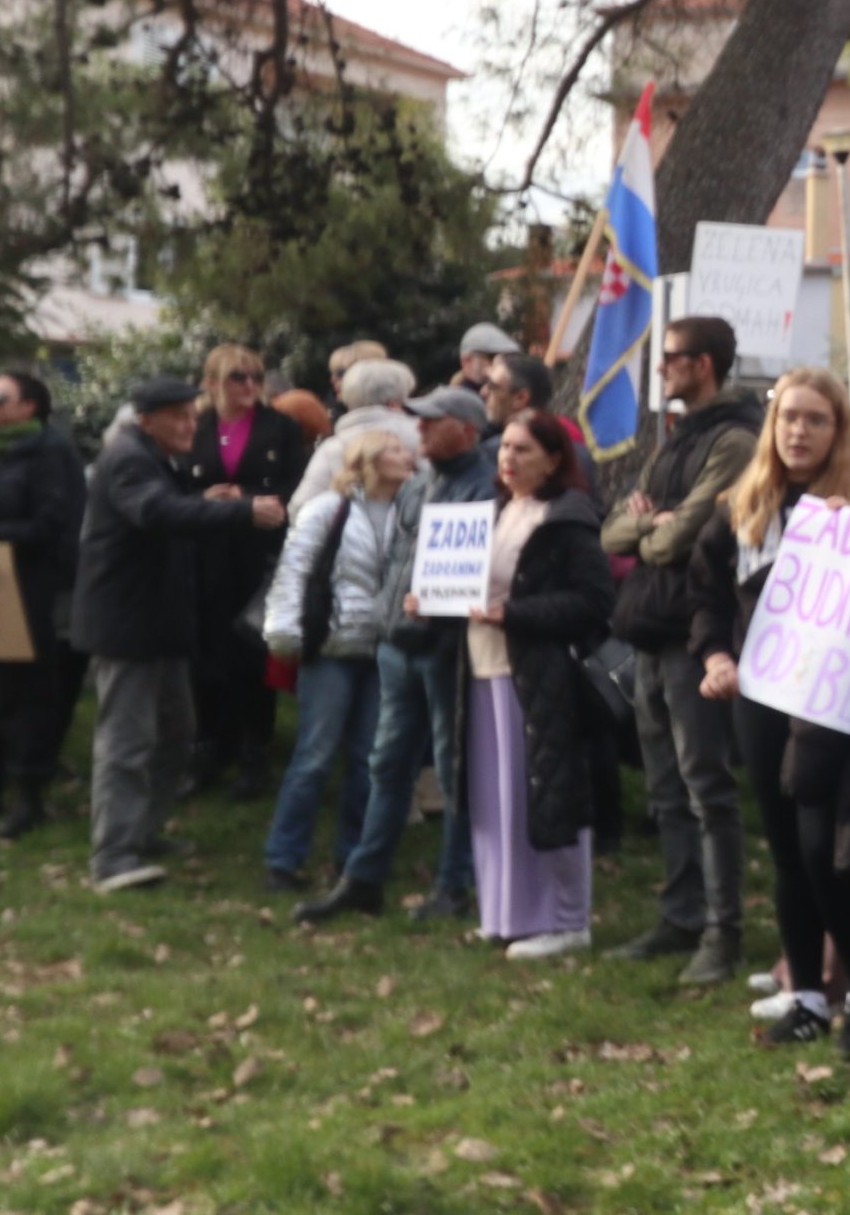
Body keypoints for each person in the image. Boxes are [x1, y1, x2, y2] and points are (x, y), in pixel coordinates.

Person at [694, 369, 850, 1055]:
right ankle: (808, 995)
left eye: (815, 419)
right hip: (763, 698)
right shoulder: (743, 503)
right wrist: (715, 657)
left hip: (837, 707)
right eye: (788, 417)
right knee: (787, 851)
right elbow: (707, 595)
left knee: (826, 853)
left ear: (839, 429)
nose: (798, 431)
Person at [600, 316, 760, 985]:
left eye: (670, 357)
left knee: (705, 787)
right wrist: (648, 524)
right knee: (664, 787)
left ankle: (723, 930)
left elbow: (678, 539)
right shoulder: (676, 437)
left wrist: (651, 526)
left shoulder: (736, 440)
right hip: (652, 628)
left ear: (704, 363)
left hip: (698, 630)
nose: (660, 367)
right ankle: (680, 914)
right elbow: (613, 532)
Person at [296, 388, 496, 923]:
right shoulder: (419, 485)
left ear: (468, 431)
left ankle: (455, 885)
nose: (419, 429)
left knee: (453, 772)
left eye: (434, 421)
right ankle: (364, 879)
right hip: (397, 644)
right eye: (419, 420)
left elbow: (480, 575)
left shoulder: (483, 489)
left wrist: (438, 608)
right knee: (386, 765)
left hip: (447, 651)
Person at [77, 378, 282, 891]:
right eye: (180, 416)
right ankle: (113, 856)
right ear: (147, 420)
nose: (193, 424)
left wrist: (201, 498)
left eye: (194, 414)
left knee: (174, 733)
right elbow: (152, 511)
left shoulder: (155, 457)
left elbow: (164, 507)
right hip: (128, 626)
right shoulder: (129, 458)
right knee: (127, 741)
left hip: (156, 625)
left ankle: (142, 833)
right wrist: (239, 510)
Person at [455, 411, 612, 959]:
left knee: (548, 793)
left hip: (537, 675)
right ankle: (506, 913)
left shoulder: (566, 517)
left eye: (522, 449)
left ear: (553, 459)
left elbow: (594, 601)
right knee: (495, 801)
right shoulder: (494, 511)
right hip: (483, 668)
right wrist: (430, 600)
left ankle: (566, 919)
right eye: (504, 447)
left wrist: (516, 615)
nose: (508, 458)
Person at [260, 430, 411, 892]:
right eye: (395, 449)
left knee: (369, 759)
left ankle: (353, 861)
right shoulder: (329, 509)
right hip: (332, 649)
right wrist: (284, 632)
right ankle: (283, 859)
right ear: (369, 460)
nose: (407, 455)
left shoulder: (410, 514)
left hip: (385, 649)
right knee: (315, 755)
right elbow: (295, 569)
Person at [0, 370, 86, 839]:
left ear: (29, 405)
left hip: (28, 589)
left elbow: (52, 524)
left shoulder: (51, 452)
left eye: (0, 397)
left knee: (21, 696)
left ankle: (29, 795)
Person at [187, 344, 309, 799]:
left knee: (252, 650)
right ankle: (209, 746)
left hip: (258, 553)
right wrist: (203, 500)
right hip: (206, 553)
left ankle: (253, 749)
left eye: (256, 376)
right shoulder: (196, 425)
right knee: (206, 650)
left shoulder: (280, 427)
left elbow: (297, 484)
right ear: (213, 382)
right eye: (239, 377)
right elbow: (176, 484)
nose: (250, 385)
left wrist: (249, 497)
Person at [291, 358, 420, 521]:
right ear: (398, 399)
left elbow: (301, 506)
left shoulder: (332, 447)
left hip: (351, 533)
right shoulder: (420, 436)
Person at [486, 352, 599, 498]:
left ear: (520, 398)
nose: (484, 392)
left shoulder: (567, 447)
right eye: (506, 446)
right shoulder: (488, 446)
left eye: (493, 387)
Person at [325, 340, 388, 418]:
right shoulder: (327, 417)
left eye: (341, 373)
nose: (333, 379)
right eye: (333, 373)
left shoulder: (395, 415)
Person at [455, 323, 521, 395]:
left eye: (508, 357)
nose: (501, 364)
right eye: (492, 357)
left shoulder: (513, 395)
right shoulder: (458, 399)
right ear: (467, 362)